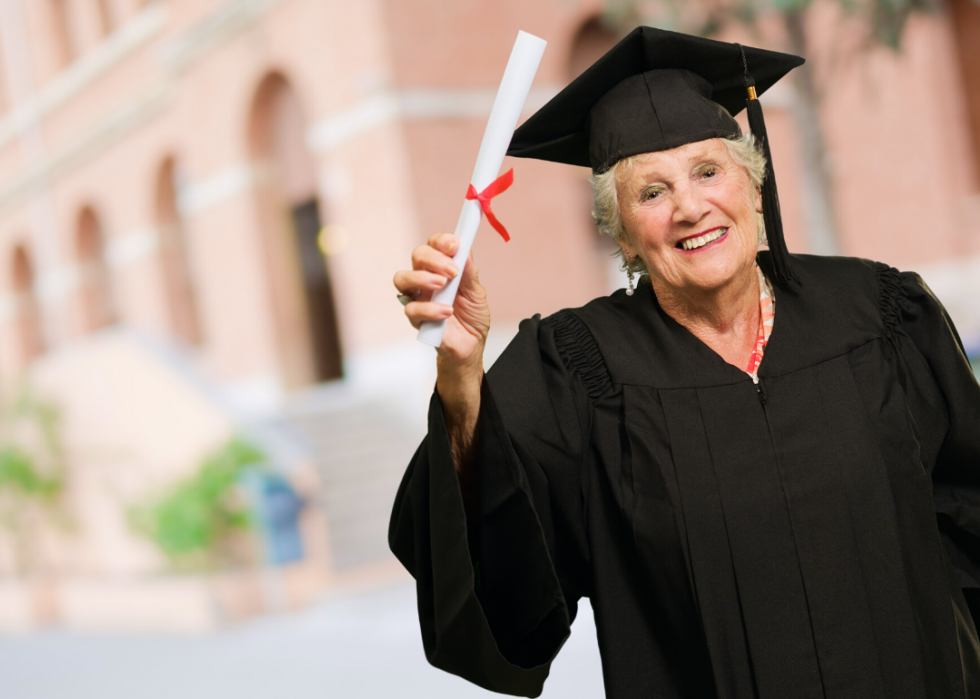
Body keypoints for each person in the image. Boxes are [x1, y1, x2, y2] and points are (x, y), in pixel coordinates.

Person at [389, 26, 980, 699]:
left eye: (708, 171)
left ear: (755, 187)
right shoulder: (575, 374)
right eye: (651, 192)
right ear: (622, 235)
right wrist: (463, 384)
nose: (689, 206)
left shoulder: (881, 315)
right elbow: (500, 585)